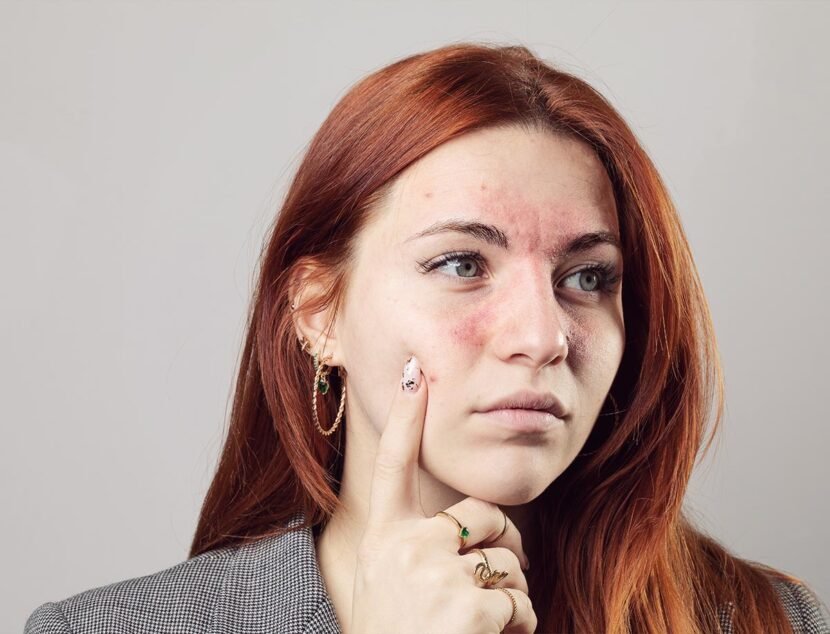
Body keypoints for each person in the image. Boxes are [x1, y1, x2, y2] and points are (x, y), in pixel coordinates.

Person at [25, 41, 830, 634]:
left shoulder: (769, 621)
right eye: (460, 264)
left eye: (588, 278)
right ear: (319, 313)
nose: (543, 335)